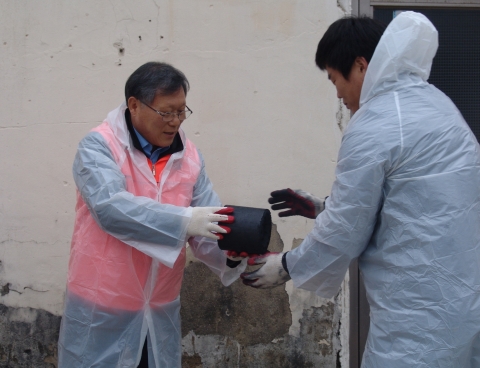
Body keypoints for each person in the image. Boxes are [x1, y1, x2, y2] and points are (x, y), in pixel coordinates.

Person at [242, 12, 480, 367]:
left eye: (335, 79)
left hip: (416, 313)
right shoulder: (438, 106)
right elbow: (417, 205)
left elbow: (346, 230)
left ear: (361, 65)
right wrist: (323, 207)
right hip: (463, 300)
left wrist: (286, 264)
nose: (338, 94)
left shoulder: (374, 123)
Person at [58, 62, 245, 368]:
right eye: (166, 112)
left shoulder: (190, 156)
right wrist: (185, 220)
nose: (175, 122)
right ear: (134, 105)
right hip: (103, 308)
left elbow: (208, 222)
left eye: (182, 111)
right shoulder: (98, 147)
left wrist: (233, 255)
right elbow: (111, 207)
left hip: (159, 309)